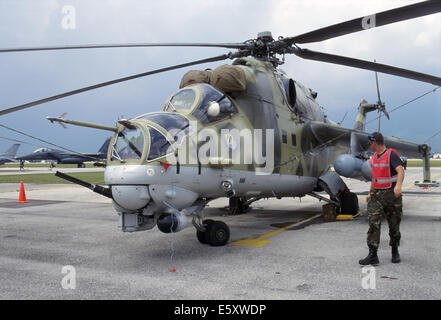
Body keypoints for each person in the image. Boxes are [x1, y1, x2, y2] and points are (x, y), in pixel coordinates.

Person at [359, 132, 405, 265]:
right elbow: (375, 178)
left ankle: (395, 250)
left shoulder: (391, 154)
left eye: (370, 143)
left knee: (394, 225)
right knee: (373, 223)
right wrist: (370, 192)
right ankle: (373, 254)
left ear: (375, 142)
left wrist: (398, 186)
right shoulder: (374, 157)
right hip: (376, 196)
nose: (370, 146)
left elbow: (400, 171)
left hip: (391, 195)